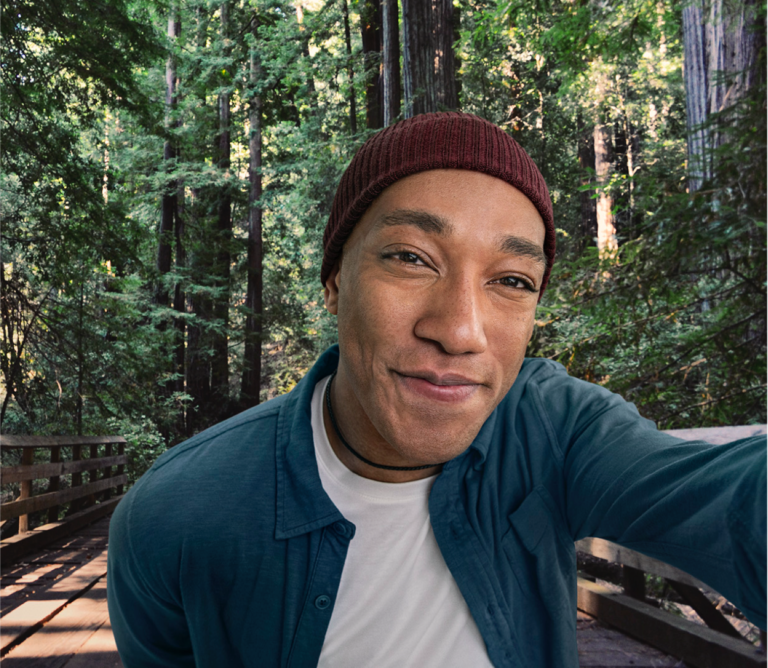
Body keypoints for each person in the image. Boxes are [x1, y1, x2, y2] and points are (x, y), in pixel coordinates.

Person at [107, 112, 768, 667]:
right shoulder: (175, 518)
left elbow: (729, 503)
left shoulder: (552, 429)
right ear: (335, 279)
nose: (459, 331)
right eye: (410, 257)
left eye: (511, 280)